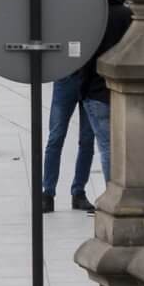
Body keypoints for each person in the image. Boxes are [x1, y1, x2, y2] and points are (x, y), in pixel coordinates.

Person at [77, 0, 133, 203]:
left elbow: (86, 57)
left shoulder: (94, 18)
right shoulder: (127, 16)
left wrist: (83, 88)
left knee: (106, 146)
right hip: (121, 92)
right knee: (123, 145)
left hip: (96, 91)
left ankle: (112, 194)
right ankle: (123, 189)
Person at [39, 68, 96, 212]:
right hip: (66, 77)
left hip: (90, 79)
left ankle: (78, 192)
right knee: (56, 137)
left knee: (87, 140)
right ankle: (48, 193)